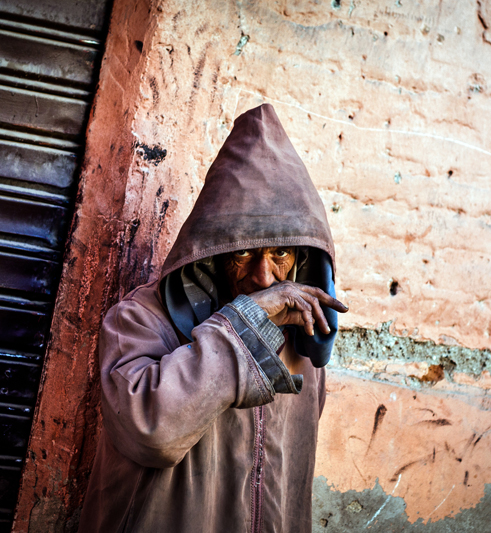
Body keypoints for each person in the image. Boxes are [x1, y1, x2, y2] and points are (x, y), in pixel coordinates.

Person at [78, 104, 347, 532]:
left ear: (301, 259)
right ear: (213, 254)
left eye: (280, 254)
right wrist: (248, 319)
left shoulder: (300, 347)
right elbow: (154, 431)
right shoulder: (140, 320)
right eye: (243, 253)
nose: (264, 276)